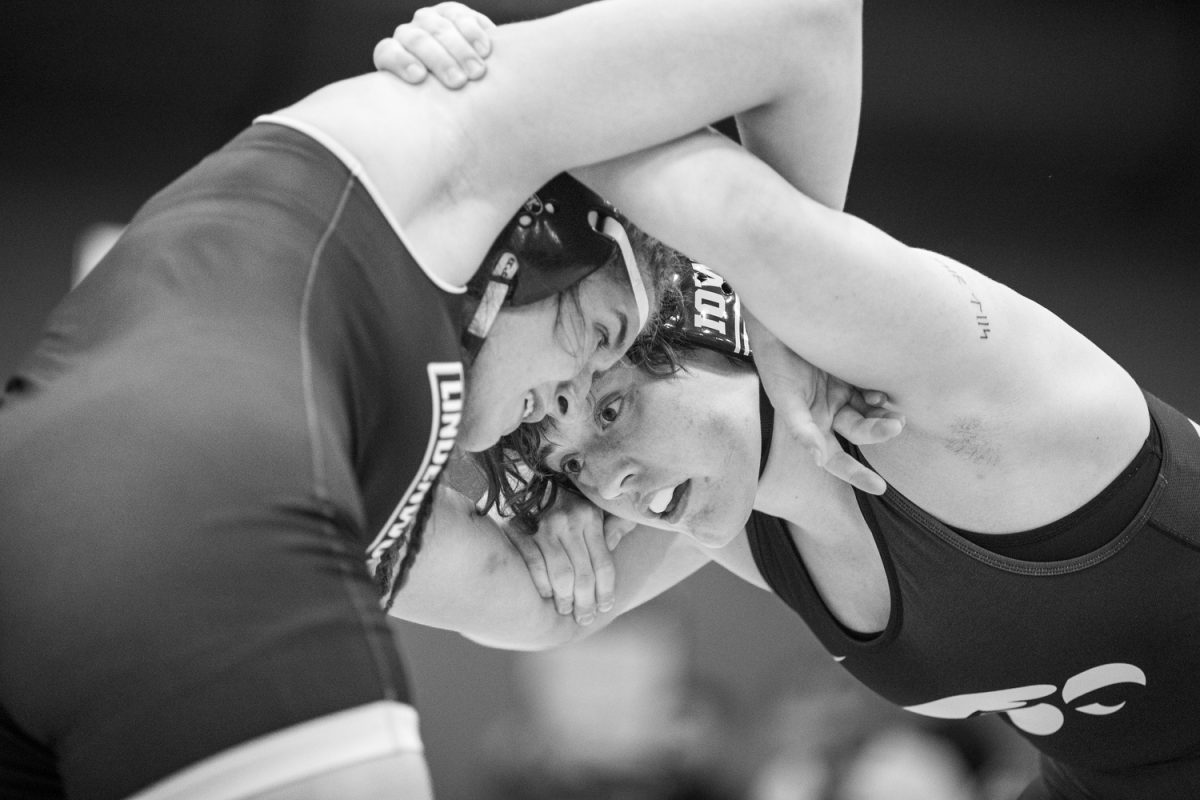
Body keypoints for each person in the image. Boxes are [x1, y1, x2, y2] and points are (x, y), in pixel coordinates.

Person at [0, 0, 881, 797]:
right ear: (542, 237)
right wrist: (791, 321)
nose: (566, 400)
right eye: (598, 340)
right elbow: (811, 22)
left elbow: (554, 611)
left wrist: (595, 499)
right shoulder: (444, 143)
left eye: (576, 431)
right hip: (205, 492)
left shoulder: (377, 463)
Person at [384, 8, 1200, 800]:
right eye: (569, 463)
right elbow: (517, 607)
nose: (611, 484)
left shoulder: (914, 358)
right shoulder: (730, 511)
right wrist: (282, 480)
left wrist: (484, 95)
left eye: (609, 412)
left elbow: (813, 20)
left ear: (698, 322)